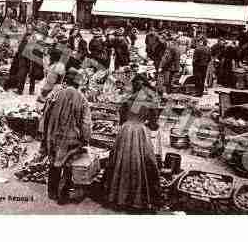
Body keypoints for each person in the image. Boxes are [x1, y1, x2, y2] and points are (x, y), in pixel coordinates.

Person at [105, 74, 161, 213]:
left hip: (125, 131)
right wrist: (149, 123)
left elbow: (121, 119)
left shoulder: (127, 98)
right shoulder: (149, 99)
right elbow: (154, 124)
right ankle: (136, 199)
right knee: (141, 162)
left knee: (121, 162)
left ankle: (118, 197)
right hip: (139, 131)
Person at [40, 68, 92, 204]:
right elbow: (86, 123)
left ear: (66, 80)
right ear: (78, 82)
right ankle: (63, 193)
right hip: (72, 138)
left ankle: (52, 191)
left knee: (54, 163)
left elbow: (45, 114)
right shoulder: (82, 99)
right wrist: (86, 138)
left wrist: (44, 134)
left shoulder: (55, 94)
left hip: (54, 135)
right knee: (68, 165)